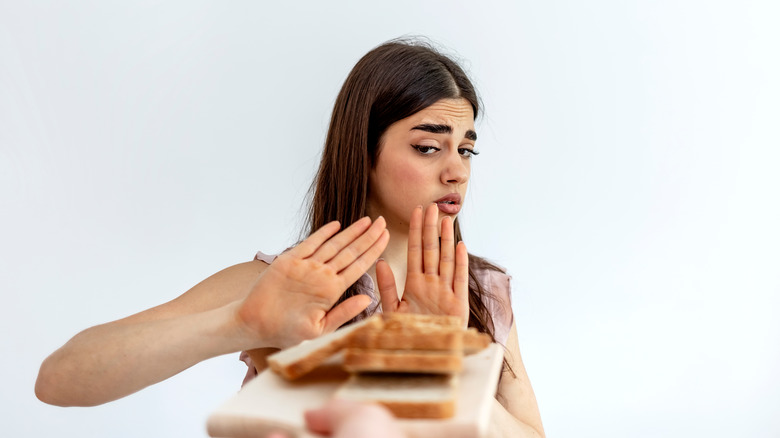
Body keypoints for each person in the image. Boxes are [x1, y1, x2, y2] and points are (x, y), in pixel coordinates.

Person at [35, 38, 545, 437]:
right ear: (363, 153)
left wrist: (445, 372)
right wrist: (236, 325)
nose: (457, 171)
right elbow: (58, 379)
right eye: (430, 147)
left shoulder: (482, 291)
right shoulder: (285, 287)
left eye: (467, 150)